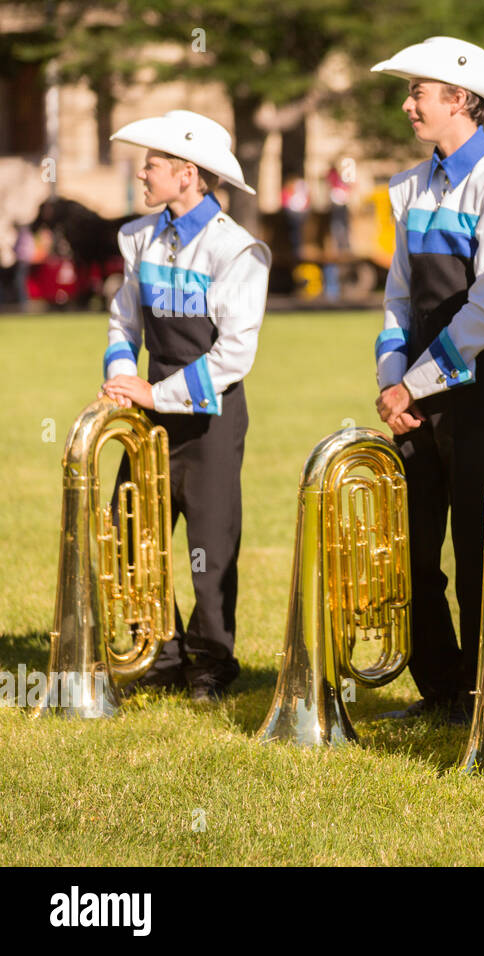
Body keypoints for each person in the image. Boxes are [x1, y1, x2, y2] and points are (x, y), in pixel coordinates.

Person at [370, 36, 484, 722]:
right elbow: (397, 298)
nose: (409, 104)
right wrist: (393, 379)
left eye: (420, 92)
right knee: (410, 549)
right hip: (411, 393)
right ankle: (443, 691)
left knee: (480, 551)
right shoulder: (409, 187)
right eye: (411, 92)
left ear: (461, 101)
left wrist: (412, 382)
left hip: (477, 391)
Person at [99, 110, 269, 701]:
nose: (142, 172)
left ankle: (211, 662)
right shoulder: (137, 238)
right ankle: (161, 651)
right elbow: (124, 322)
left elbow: (234, 355)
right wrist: (124, 378)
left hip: (209, 414)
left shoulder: (237, 248)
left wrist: (158, 393)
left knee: (210, 546)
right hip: (147, 411)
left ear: (187, 173)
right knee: (128, 531)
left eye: (153, 164)